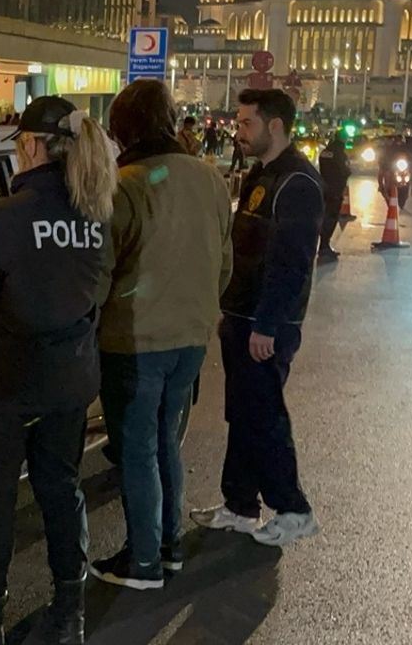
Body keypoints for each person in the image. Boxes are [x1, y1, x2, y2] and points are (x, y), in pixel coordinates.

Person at [0, 96, 118, 645]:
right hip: (68, 377)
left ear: (33, 145)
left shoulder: (7, 220)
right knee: (62, 492)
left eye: (19, 143)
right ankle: (69, 614)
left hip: (3, 384)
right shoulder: (94, 211)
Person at [88, 81, 232, 590]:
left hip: (134, 339)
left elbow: (101, 269)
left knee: (136, 448)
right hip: (191, 337)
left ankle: (143, 560)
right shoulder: (211, 179)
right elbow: (225, 264)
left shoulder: (124, 184)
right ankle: (169, 547)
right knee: (166, 441)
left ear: (121, 129)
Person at [191, 89, 321, 547]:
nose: (238, 131)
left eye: (246, 123)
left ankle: (293, 508)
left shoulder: (298, 183)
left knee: (264, 416)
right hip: (241, 314)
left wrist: (267, 323)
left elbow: (292, 262)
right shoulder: (261, 175)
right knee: (243, 414)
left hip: (266, 324)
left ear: (276, 126)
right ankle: (241, 504)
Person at [317, 130, 351, 261]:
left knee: (324, 216)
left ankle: (323, 246)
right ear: (344, 139)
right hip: (335, 190)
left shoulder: (325, 152)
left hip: (324, 188)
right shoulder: (340, 154)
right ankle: (324, 247)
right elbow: (345, 171)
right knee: (331, 218)